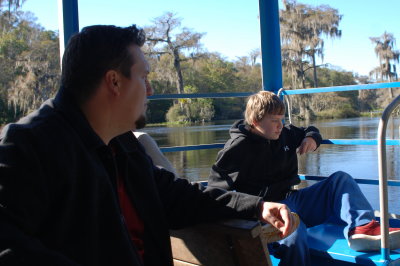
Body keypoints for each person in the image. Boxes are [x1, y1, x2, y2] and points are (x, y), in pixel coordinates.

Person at [0, 25, 296, 266]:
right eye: (144, 77)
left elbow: (177, 197)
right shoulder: (28, 146)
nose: (151, 90)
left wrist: (257, 206)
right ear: (114, 82)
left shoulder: (121, 144)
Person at [207, 91, 400, 265]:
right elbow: (215, 190)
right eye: (274, 120)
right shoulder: (236, 148)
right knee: (294, 232)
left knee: (340, 180)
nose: (280, 126)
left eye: (282, 119)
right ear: (255, 122)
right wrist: (251, 213)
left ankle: (362, 228)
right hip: (266, 211)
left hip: (294, 199)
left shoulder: (285, 134)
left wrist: (311, 138)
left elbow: (310, 129)